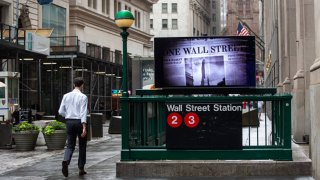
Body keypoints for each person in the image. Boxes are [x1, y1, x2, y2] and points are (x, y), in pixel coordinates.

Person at [58, 77, 88, 177]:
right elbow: (83, 112)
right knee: (82, 145)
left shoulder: (66, 96)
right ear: (82, 85)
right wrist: (84, 126)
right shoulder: (83, 97)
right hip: (79, 122)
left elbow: (60, 111)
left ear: (74, 84)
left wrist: (68, 114)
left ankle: (66, 160)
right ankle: (81, 168)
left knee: (70, 144)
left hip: (69, 121)